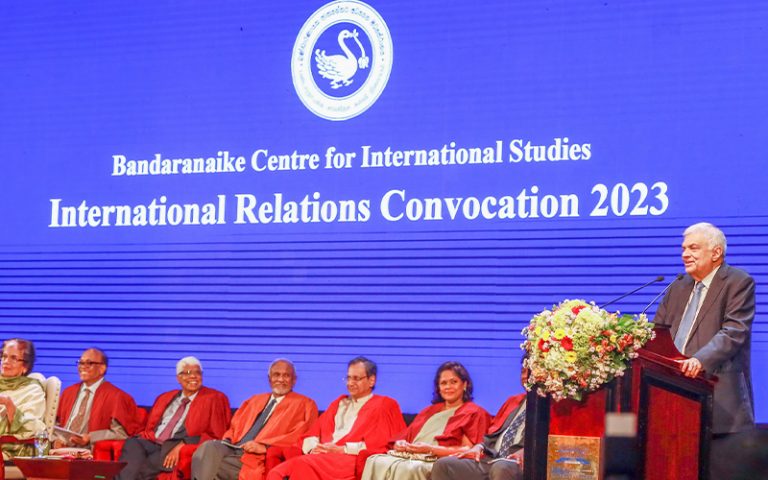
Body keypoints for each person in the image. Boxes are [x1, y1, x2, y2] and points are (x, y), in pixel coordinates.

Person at [653, 222, 755, 479]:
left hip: (719, 401)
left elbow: (734, 332)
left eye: (693, 248)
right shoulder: (677, 286)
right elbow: (657, 332)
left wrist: (700, 360)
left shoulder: (738, 282)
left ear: (716, 252)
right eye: (684, 248)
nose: (685, 254)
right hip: (672, 398)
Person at [266, 356, 406, 480]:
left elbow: (382, 445)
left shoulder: (384, 405)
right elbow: (313, 433)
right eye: (348, 378)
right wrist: (314, 448)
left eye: (356, 378)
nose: (350, 383)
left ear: (371, 380)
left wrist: (341, 449)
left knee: (303, 466)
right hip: (321, 455)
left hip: (349, 459)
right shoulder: (339, 403)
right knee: (276, 473)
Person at [360, 361, 490, 480]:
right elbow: (404, 438)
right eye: (443, 383)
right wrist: (400, 444)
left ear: (465, 384)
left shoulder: (474, 412)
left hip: (439, 461)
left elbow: (467, 450)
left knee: (408, 469)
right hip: (412, 456)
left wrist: (429, 449)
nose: (448, 387)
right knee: (374, 461)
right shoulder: (429, 411)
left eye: (453, 382)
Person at [191, 358, 318, 480]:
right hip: (234, 446)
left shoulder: (305, 404)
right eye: (276, 375)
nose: (280, 379)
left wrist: (266, 447)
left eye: (286, 375)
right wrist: (228, 440)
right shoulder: (254, 400)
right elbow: (234, 426)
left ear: (294, 380)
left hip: (256, 455)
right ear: (269, 379)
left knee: (211, 465)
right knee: (208, 447)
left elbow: (301, 435)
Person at [117, 356, 231, 480]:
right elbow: (151, 427)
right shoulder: (165, 397)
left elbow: (217, 434)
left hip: (173, 444)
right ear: (178, 378)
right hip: (153, 441)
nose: (193, 376)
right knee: (132, 444)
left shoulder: (214, 398)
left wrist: (183, 444)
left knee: (144, 467)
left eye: (197, 373)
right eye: (187, 373)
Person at [55, 348, 141, 449]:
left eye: (89, 363)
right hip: (60, 450)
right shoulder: (68, 392)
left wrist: (91, 437)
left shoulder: (116, 396)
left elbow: (120, 433)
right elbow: (56, 424)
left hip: (89, 451)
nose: (83, 367)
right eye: (81, 363)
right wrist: (56, 439)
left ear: (102, 368)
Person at [431, 393, 526, 480]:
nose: (525, 378)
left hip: (519, 462)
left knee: (501, 467)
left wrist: (528, 451)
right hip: (493, 458)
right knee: (443, 465)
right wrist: (479, 447)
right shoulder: (514, 401)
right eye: (522, 373)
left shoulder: (537, 406)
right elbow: (494, 434)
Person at [0, 338, 46, 459]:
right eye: (4, 356)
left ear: (25, 366)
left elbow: (35, 428)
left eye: (13, 358)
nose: (6, 361)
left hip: (11, 450)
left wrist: (9, 404)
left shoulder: (33, 390)